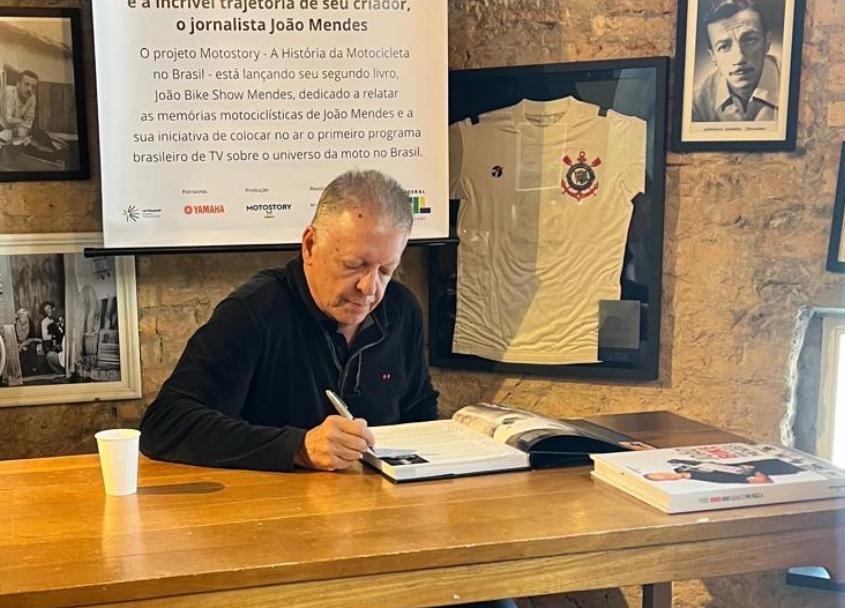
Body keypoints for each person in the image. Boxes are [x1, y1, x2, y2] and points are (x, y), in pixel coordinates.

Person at [691, 0, 780, 122]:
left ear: (767, 42)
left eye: (749, 40)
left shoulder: (794, 86)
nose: (740, 58)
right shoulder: (697, 104)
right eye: (724, 47)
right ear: (713, 57)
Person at [644, 457, 803, 484]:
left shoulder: (680, 465)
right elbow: (725, 479)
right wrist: (749, 476)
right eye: (662, 478)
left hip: (758, 461)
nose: (665, 475)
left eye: (660, 474)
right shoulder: (699, 478)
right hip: (768, 470)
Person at [3, 70, 38, 140]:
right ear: (18, 84)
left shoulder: (32, 97)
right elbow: (8, 120)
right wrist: (22, 122)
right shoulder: (8, 92)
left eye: (33, 87)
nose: (30, 89)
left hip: (12, 131)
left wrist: (23, 128)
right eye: (26, 84)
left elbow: (29, 123)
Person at [14, 307, 41, 376]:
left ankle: (34, 369)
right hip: (16, 343)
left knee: (32, 347)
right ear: (18, 317)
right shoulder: (14, 324)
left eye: (26, 317)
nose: (24, 319)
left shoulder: (30, 323)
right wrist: (19, 345)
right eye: (21, 316)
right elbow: (13, 338)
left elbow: (32, 337)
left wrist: (23, 344)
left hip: (27, 342)